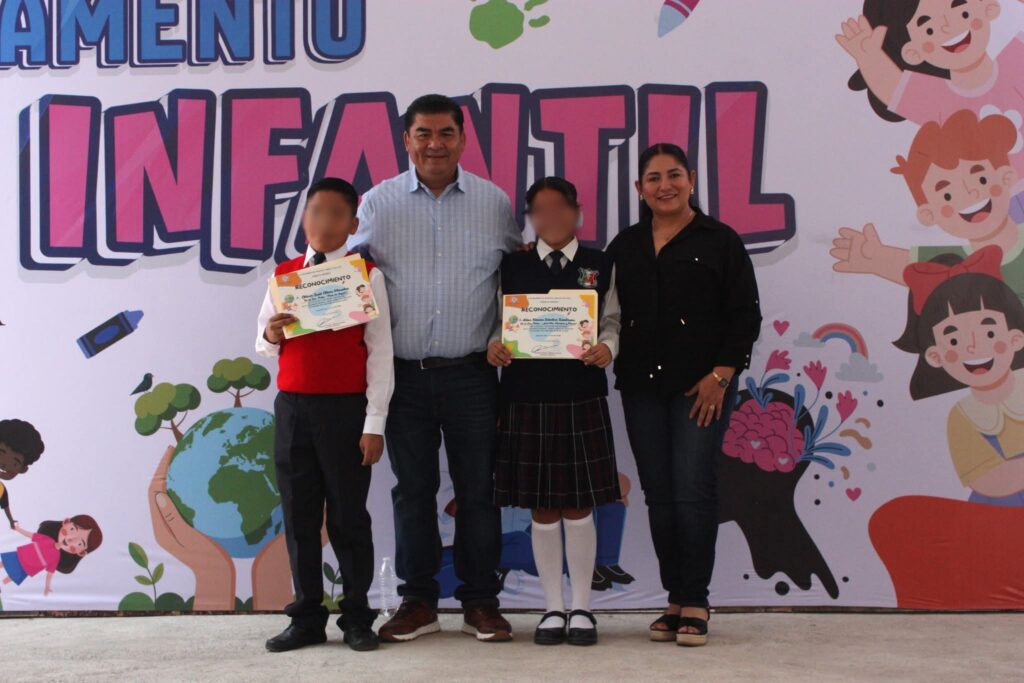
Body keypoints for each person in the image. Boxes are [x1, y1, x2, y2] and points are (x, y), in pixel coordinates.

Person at [348, 94, 523, 642]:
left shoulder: (493, 203)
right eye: (423, 133)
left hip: (473, 375)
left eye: (446, 133)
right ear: (407, 140)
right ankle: (418, 601)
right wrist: (288, 310)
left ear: (463, 139)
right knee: (413, 491)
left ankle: (481, 602)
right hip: (404, 377)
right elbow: (344, 271)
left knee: (478, 490)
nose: (435, 144)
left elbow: (516, 279)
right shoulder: (378, 203)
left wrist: (509, 334)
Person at [607, 143, 762, 646]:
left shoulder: (720, 240)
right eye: (653, 178)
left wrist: (722, 376)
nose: (665, 185)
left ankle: (696, 599)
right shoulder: (625, 246)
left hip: (702, 389)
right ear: (639, 189)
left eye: (674, 175)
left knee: (694, 490)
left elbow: (745, 315)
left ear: (691, 179)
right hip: (641, 388)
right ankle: (675, 598)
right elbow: (591, 300)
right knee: (659, 493)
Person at [256, 177, 395, 653]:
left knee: (348, 517)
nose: (324, 222)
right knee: (298, 516)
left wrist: (374, 423)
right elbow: (262, 340)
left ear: (353, 225)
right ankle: (306, 618)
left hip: (345, 410)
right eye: (316, 212)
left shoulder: (365, 275)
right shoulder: (285, 275)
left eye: (336, 214)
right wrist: (273, 333)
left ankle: (357, 617)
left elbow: (380, 353)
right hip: (293, 408)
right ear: (304, 219)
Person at [487, 177, 621, 646]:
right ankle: (552, 608)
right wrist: (495, 346)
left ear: (577, 211)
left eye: (560, 207)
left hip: (581, 394)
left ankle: (582, 606)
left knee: (579, 502)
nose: (551, 217)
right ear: (530, 218)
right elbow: (497, 323)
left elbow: (612, 320)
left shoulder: (599, 264)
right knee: (542, 506)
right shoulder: (513, 264)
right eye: (540, 209)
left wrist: (607, 347)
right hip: (525, 396)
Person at [895, 246, 1024, 505]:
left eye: (989, 333)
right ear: (935, 356)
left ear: (1015, 338)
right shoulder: (963, 416)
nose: (974, 348)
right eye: (954, 340)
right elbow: (986, 479)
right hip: (1002, 512)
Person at [0, 516, 102, 595]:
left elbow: (49, 574)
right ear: (66, 522)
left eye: (79, 543)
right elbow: (31, 535)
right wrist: (18, 529)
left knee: (11, 577)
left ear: (81, 552)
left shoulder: (56, 558)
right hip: (22, 555)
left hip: (28, 568)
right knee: (4, 563)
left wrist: (47, 586)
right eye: (72, 529)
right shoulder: (47, 539)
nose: (71, 539)